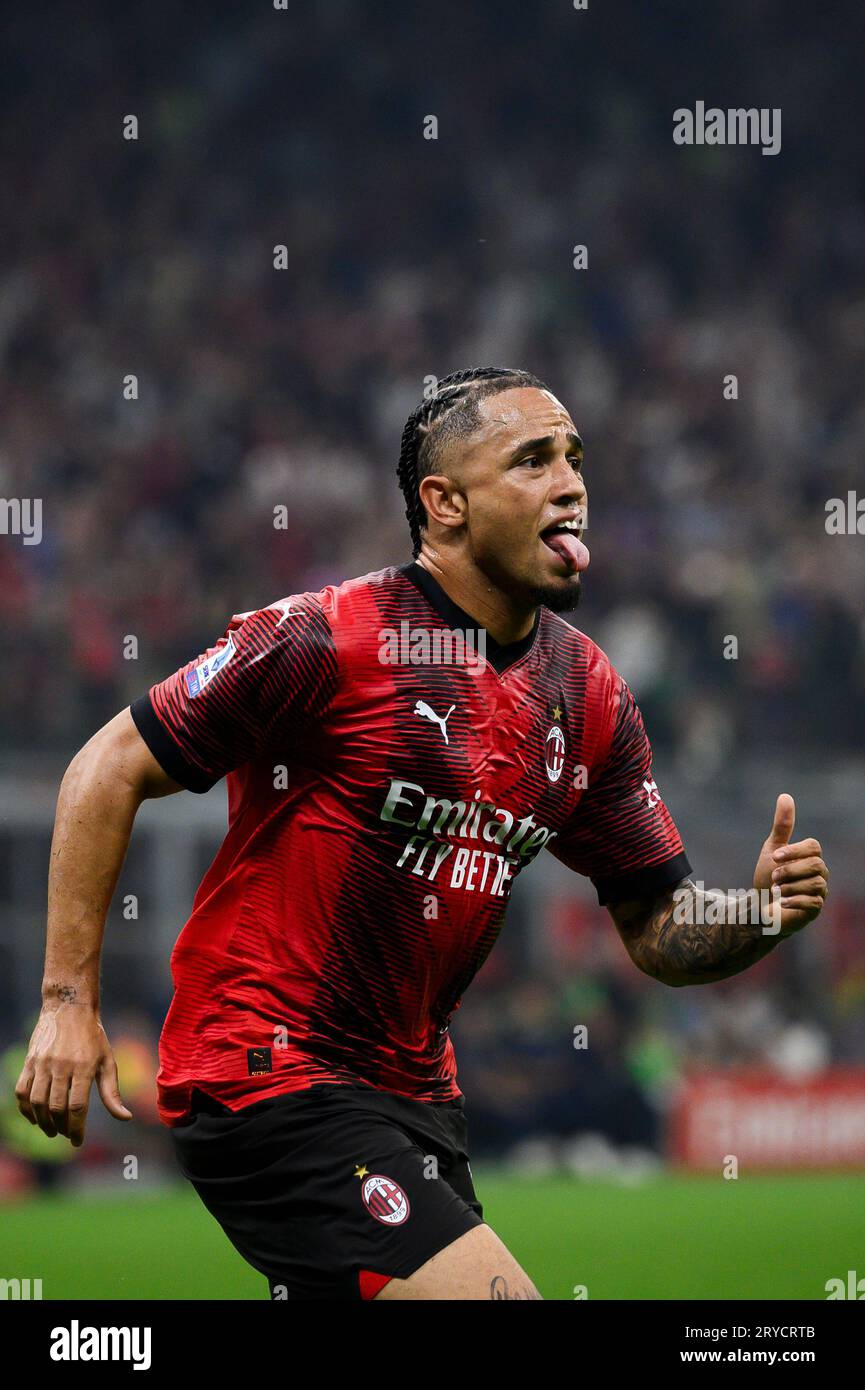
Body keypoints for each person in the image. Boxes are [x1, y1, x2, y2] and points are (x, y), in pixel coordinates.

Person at [15, 367, 829, 1300]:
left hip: (417, 1099)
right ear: (444, 503)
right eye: (531, 460)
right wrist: (67, 1001)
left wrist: (755, 911)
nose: (571, 483)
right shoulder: (329, 638)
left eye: (573, 458)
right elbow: (106, 767)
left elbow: (657, 926)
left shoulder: (587, 692)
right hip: (270, 1068)